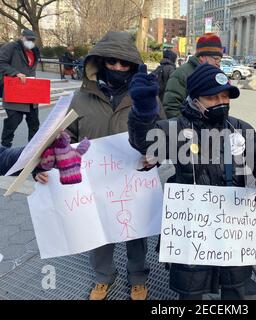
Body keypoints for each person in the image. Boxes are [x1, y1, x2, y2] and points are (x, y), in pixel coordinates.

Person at [128, 63, 256, 300]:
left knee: (235, 287)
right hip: (191, 227)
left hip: (234, 223)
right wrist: (143, 112)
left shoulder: (238, 128)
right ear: (194, 98)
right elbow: (145, 143)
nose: (220, 102)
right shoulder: (176, 128)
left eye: (225, 96)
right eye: (211, 97)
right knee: (191, 290)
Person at [65, 31, 153, 301]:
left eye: (124, 63)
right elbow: (67, 134)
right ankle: (103, 277)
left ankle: (138, 277)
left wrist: (156, 153)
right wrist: (65, 151)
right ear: (100, 61)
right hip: (96, 180)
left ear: (132, 66)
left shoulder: (146, 96)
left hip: (135, 178)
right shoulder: (80, 98)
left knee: (136, 232)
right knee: (99, 232)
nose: (117, 68)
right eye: (111, 62)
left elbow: (161, 132)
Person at [163, 33, 223, 119]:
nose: (219, 64)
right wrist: (187, 128)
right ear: (202, 57)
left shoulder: (215, 75)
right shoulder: (181, 74)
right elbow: (171, 108)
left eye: (220, 60)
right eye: (216, 59)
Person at [0, 29, 40, 148]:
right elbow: (1, 62)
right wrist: (15, 73)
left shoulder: (35, 50)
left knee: (34, 124)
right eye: (28, 39)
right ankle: (4, 149)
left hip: (31, 91)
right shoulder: (12, 47)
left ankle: (33, 152)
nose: (31, 42)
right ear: (22, 37)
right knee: (13, 122)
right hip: (15, 90)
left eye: (33, 40)